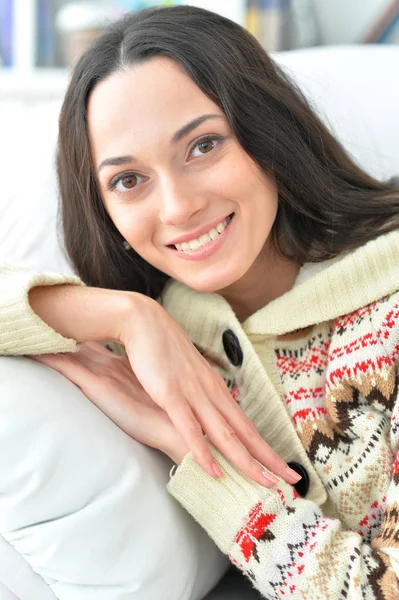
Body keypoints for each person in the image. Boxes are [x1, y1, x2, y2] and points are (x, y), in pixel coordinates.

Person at [1, 5, 399, 598]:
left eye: (203, 145)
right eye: (129, 180)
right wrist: (128, 317)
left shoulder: (384, 321)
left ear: (268, 135)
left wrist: (192, 453)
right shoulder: (163, 329)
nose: (177, 207)